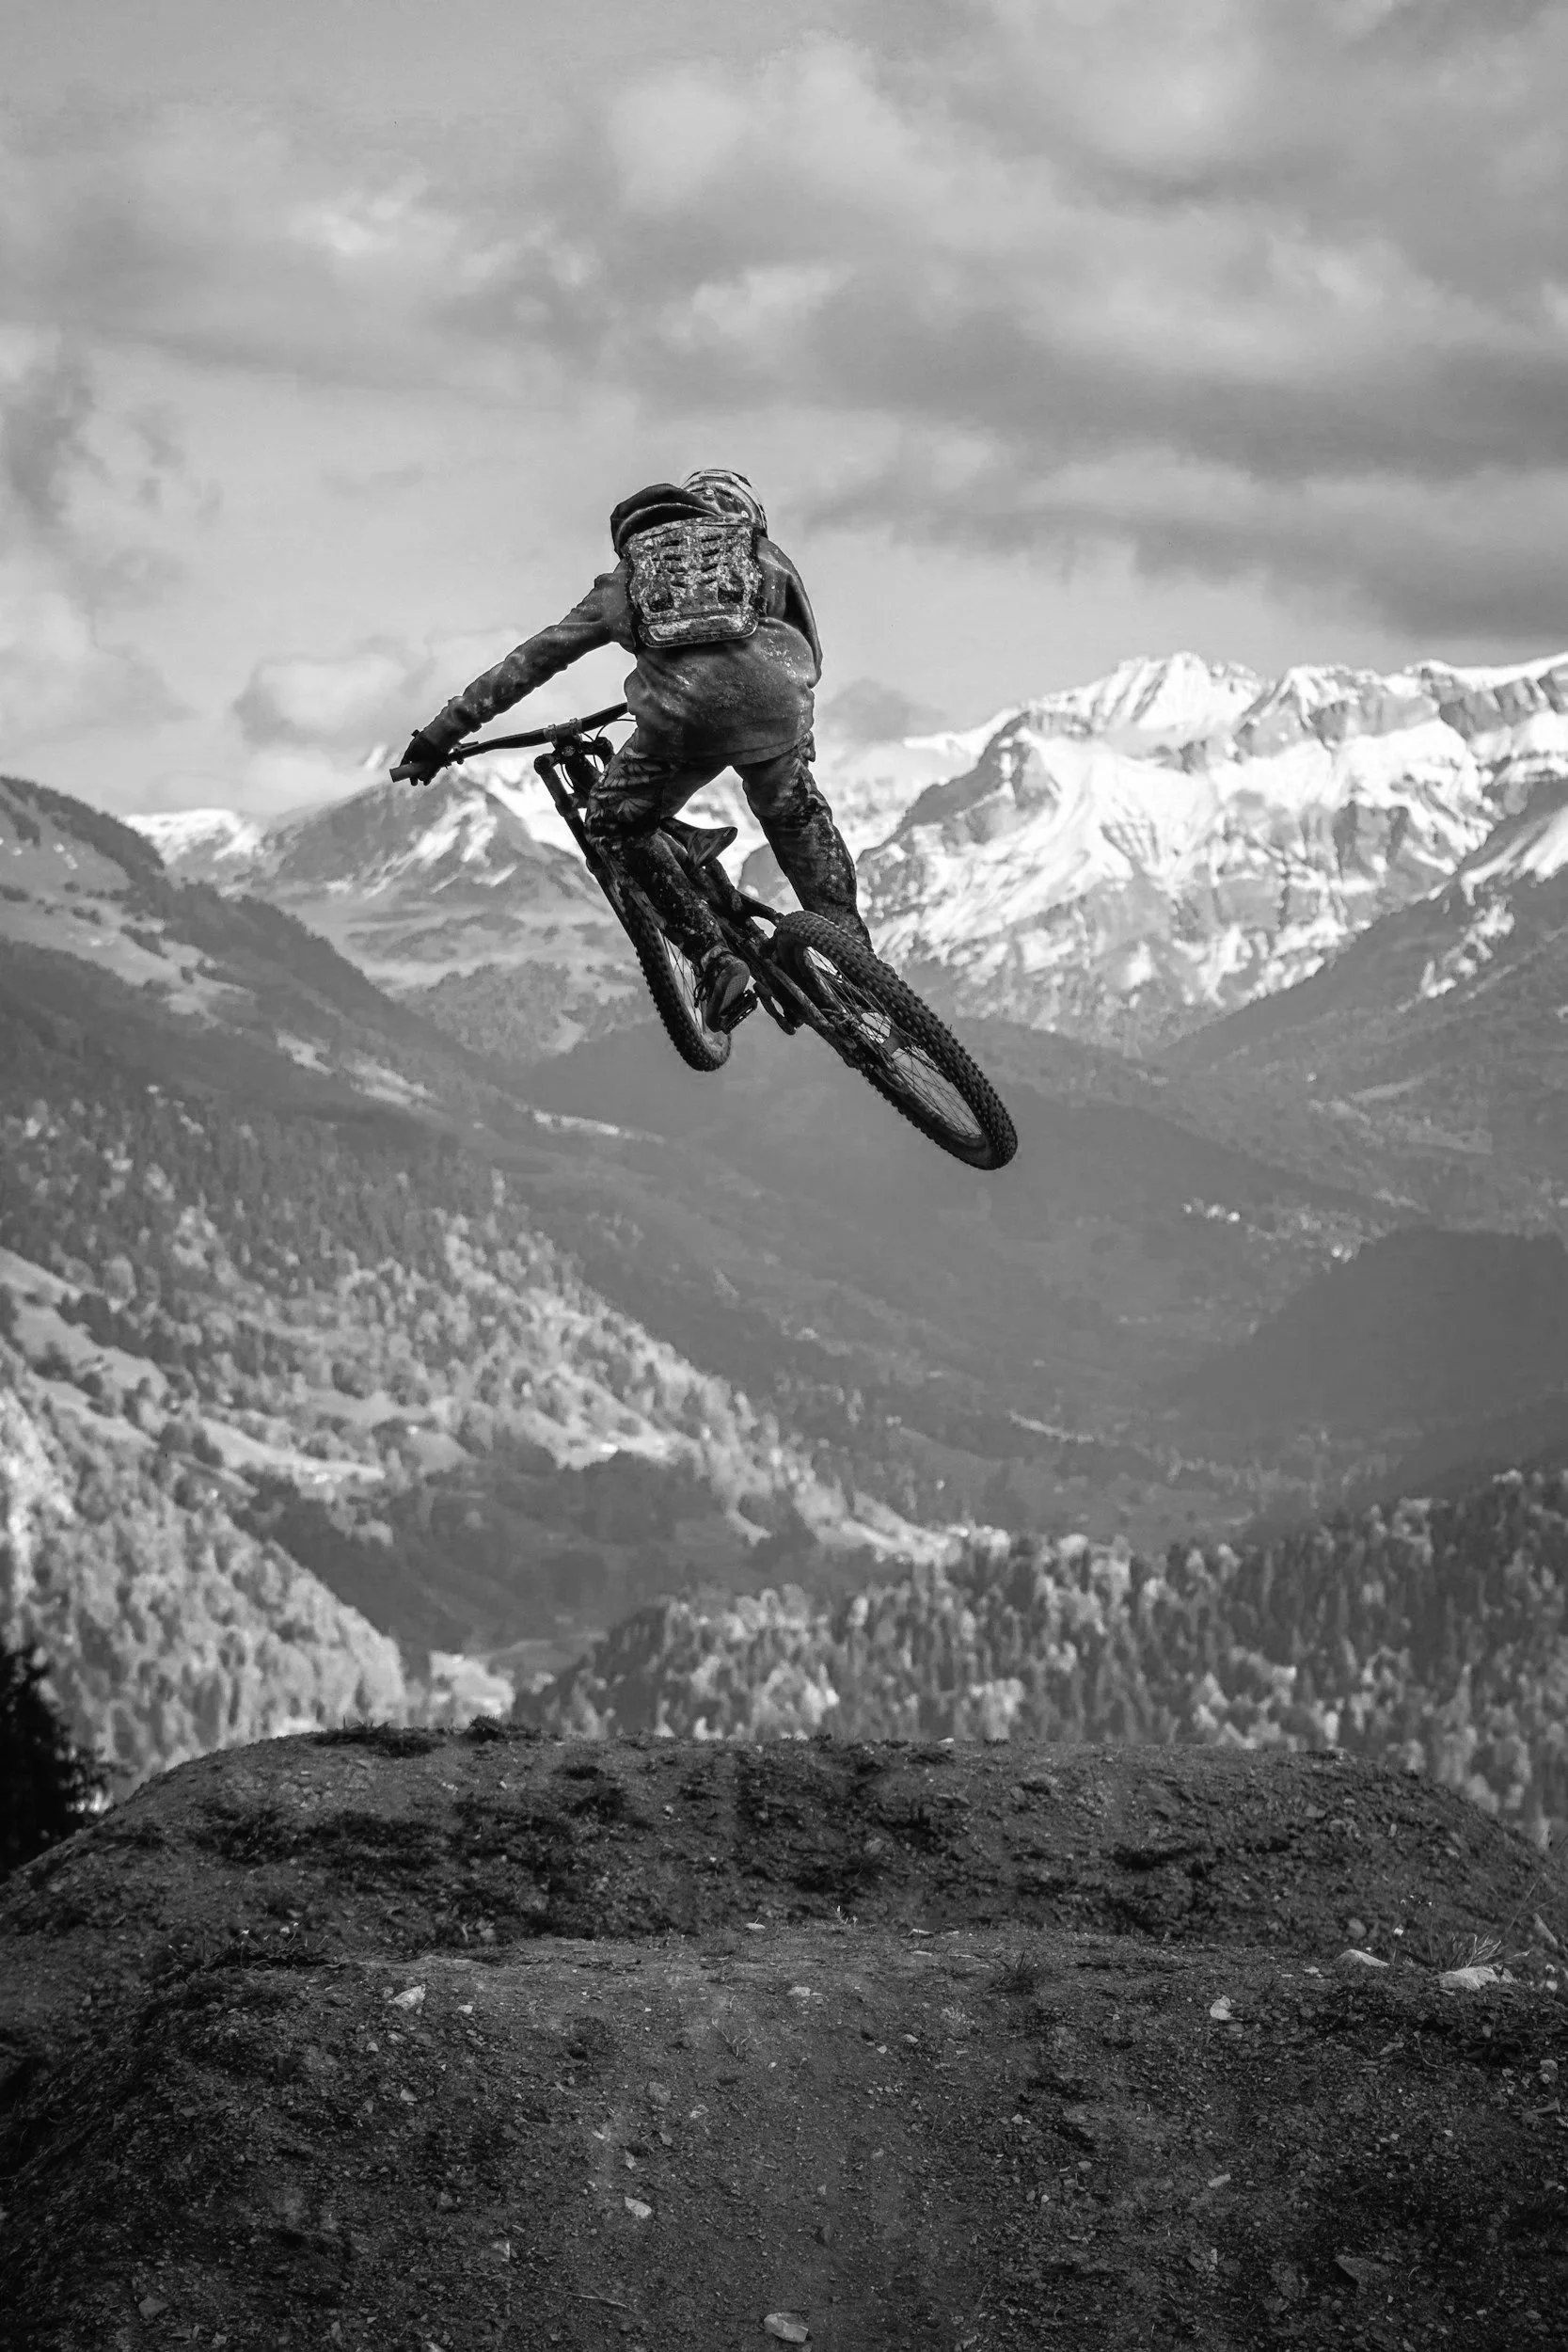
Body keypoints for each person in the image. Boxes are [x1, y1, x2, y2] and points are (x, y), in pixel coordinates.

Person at [393, 468, 871, 1032]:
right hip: (777, 711)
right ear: (750, 516)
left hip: (681, 725)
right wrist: (796, 726)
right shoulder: (765, 556)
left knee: (614, 825)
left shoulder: (630, 577)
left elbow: (532, 660)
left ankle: (714, 959)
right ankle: (858, 969)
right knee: (796, 816)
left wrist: (437, 738)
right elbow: (809, 649)